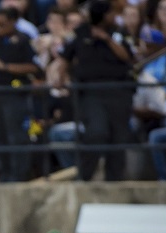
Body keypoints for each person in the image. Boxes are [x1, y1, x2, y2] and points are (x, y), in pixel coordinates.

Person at [57, 0, 134, 181]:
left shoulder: (119, 32)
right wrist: (61, 78)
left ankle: (114, 182)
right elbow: (64, 57)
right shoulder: (80, 33)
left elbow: (128, 57)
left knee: (118, 139)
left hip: (118, 91)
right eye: (110, 13)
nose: (113, 16)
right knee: (96, 133)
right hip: (91, 92)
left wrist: (106, 39)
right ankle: (84, 177)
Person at [0, 7, 39, 182]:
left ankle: (19, 174)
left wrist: (4, 66)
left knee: (16, 136)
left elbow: (33, 67)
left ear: (13, 21)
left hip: (14, 94)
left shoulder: (23, 40)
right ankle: (3, 173)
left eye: (2, 24)